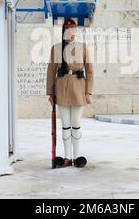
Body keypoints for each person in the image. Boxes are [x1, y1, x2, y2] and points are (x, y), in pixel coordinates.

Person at [46, 19, 94, 168]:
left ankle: (76, 155)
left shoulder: (84, 48)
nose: (71, 32)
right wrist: (50, 92)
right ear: (64, 31)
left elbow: (90, 70)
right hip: (61, 88)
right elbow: (51, 71)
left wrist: (88, 92)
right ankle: (67, 157)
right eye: (68, 29)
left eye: (73, 29)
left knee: (76, 123)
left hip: (79, 88)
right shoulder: (56, 49)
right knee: (65, 124)